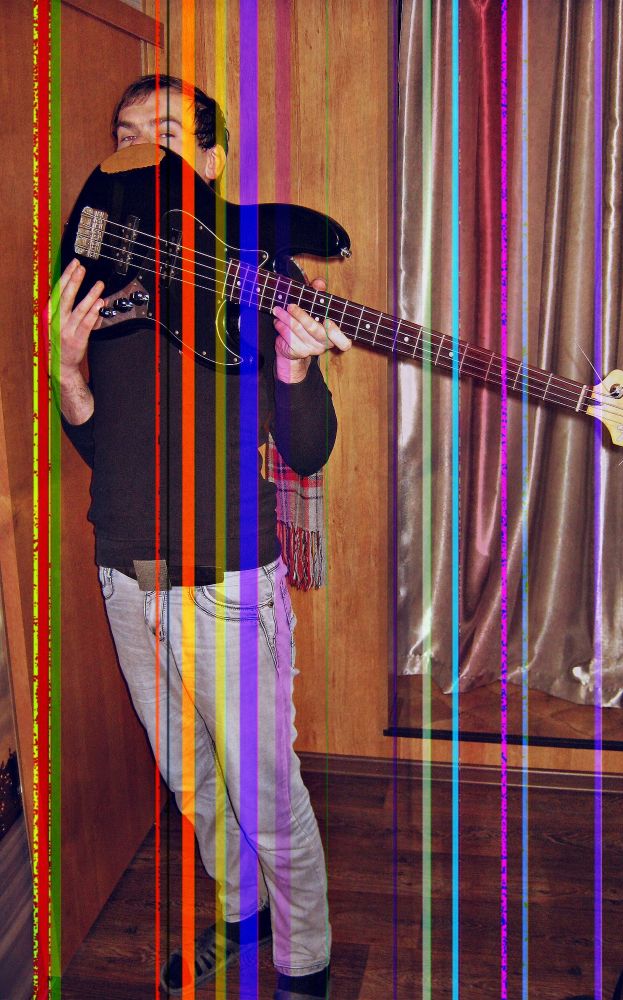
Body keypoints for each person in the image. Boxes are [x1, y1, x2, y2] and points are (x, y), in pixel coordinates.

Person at [48, 75, 351, 999]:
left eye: (169, 133)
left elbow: (308, 449)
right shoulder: (100, 272)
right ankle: (242, 912)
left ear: (212, 162)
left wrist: (294, 367)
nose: (143, 148)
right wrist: (67, 370)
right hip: (124, 572)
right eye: (126, 133)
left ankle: (305, 962)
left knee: (266, 792)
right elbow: (96, 439)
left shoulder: (256, 267)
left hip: (227, 579)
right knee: (190, 779)